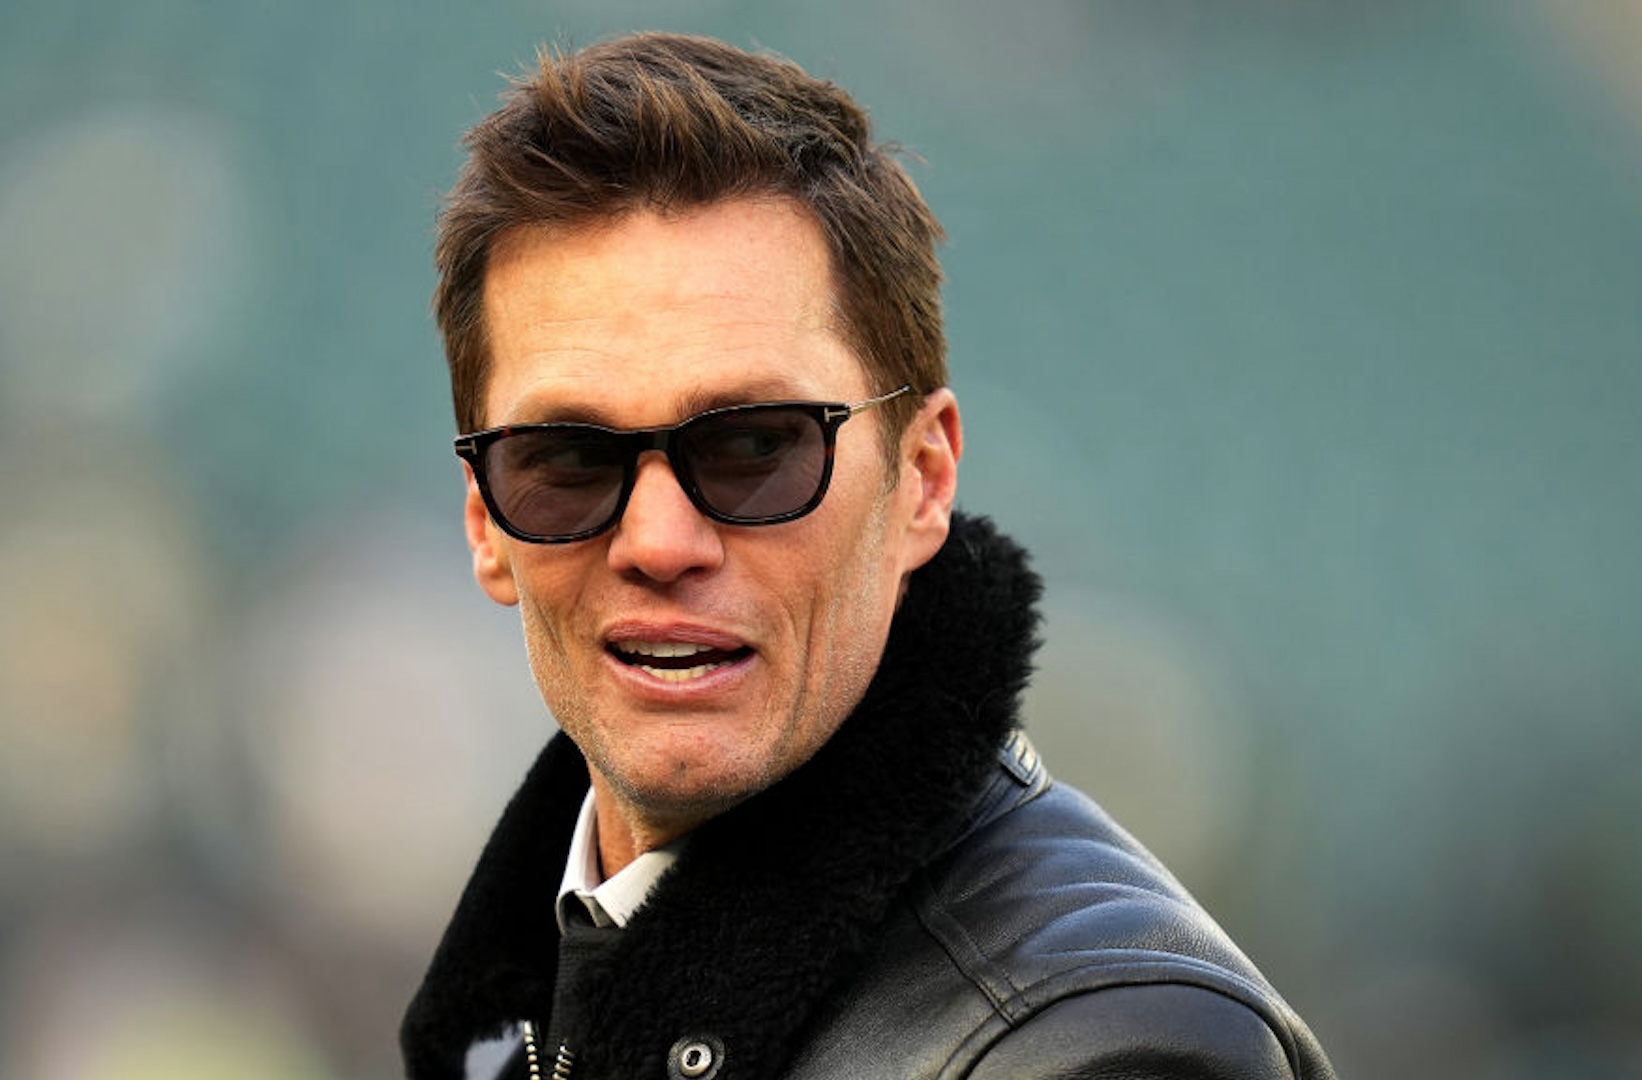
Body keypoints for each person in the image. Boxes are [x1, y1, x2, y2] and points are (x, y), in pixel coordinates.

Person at [401, 31, 1336, 1080]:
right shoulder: (511, 1012)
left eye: (756, 446)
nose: (659, 542)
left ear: (923, 481)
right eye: (566, 459)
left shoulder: (1106, 1048)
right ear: (485, 522)